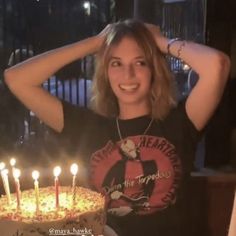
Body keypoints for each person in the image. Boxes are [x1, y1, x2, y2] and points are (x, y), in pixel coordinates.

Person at [4, 19, 230, 236]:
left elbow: (217, 65)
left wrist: (161, 42)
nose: (128, 74)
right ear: (105, 72)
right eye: (116, 63)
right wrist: (96, 43)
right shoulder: (85, 127)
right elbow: (16, 78)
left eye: (140, 62)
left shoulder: (181, 120)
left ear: (154, 70)